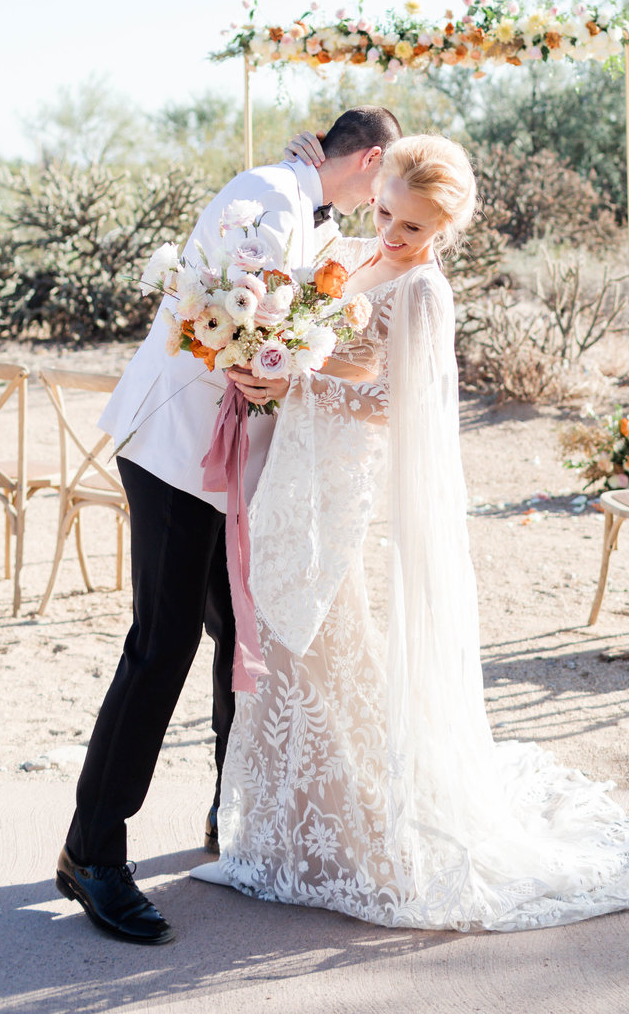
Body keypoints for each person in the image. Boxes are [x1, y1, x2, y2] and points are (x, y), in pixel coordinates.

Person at [191, 133, 629, 931]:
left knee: (338, 644)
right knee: (293, 641)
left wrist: (301, 378)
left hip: (348, 484)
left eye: (414, 229)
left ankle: (362, 840)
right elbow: (319, 326)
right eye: (390, 215)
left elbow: (398, 405)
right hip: (297, 466)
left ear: (442, 228)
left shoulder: (425, 292)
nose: (397, 237)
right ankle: (291, 833)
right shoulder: (359, 252)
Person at [55, 105, 403, 945]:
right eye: (383, 186)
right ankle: (91, 853)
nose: (379, 204)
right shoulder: (268, 194)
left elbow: (305, 315)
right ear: (374, 158)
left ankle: (230, 811)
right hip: (178, 451)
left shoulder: (306, 216)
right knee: (163, 640)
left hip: (227, 465)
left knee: (232, 626)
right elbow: (224, 320)